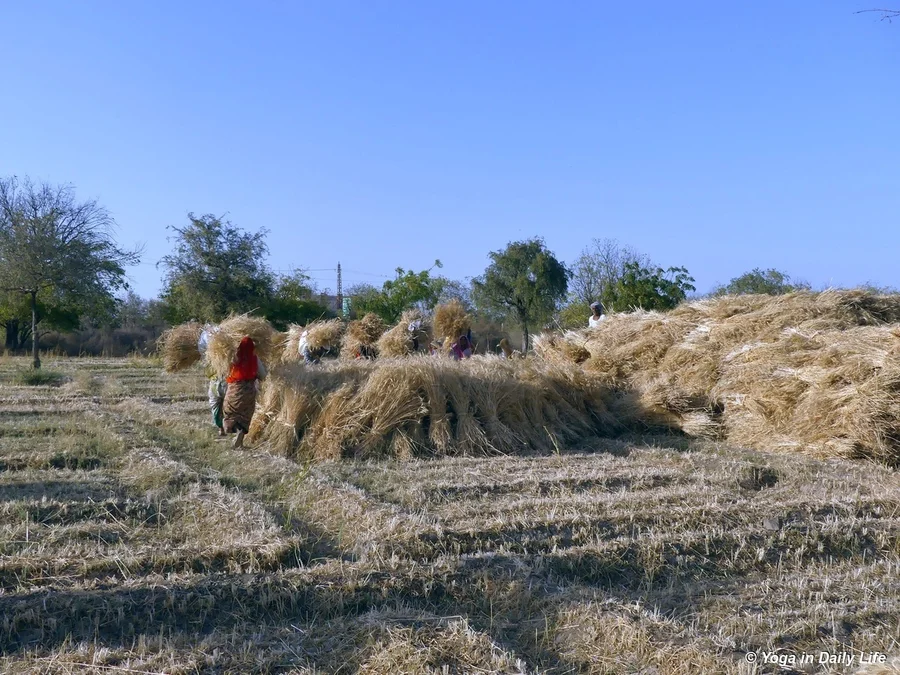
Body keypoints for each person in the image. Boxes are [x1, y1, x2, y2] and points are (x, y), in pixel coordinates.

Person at [223, 337, 267, 449]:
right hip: (248, 391)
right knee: (245, 416)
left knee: (230, 412)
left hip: (233, 390)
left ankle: (232, 429)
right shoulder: (254, 359)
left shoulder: (233, 358)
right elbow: (263, 375)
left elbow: (225, 370)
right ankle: (241, 439)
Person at [198, 325, 226, 436]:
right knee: (220, 404)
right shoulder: (210, 358)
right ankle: (222, 427)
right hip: (220, 382)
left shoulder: (210, 357)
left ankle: (222, 428)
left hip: (218, 383)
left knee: (216, 405)